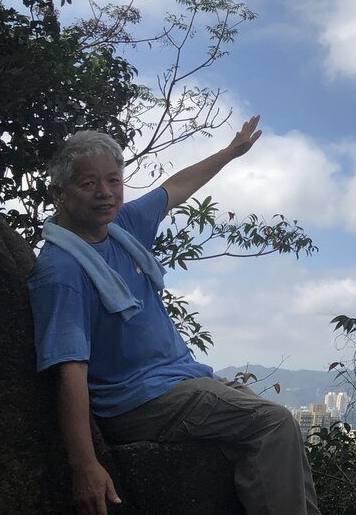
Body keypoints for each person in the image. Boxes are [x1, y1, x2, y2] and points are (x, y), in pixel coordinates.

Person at [28, 117, 321, 515]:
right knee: (274, 422)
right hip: (135, 400)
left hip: (177, 379)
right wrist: (85, 465)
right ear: (59, 193)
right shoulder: (62, 270)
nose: (105, 193)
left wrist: (230, 152)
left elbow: (177, 188)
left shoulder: (121, 227)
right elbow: (70, 370)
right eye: (88, 183)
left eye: (113, 180)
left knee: (278, 429)